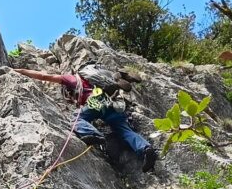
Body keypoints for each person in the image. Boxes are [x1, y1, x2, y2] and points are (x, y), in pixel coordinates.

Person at [11, 67, 158, 173]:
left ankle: (94, 135)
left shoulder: (72, 79)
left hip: (95, 102)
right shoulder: (97, 80)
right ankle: (146, 149)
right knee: (124, 130)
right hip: (114, 104)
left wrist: (19, 71)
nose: (71, 96)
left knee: (76, 118)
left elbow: (43, 76)